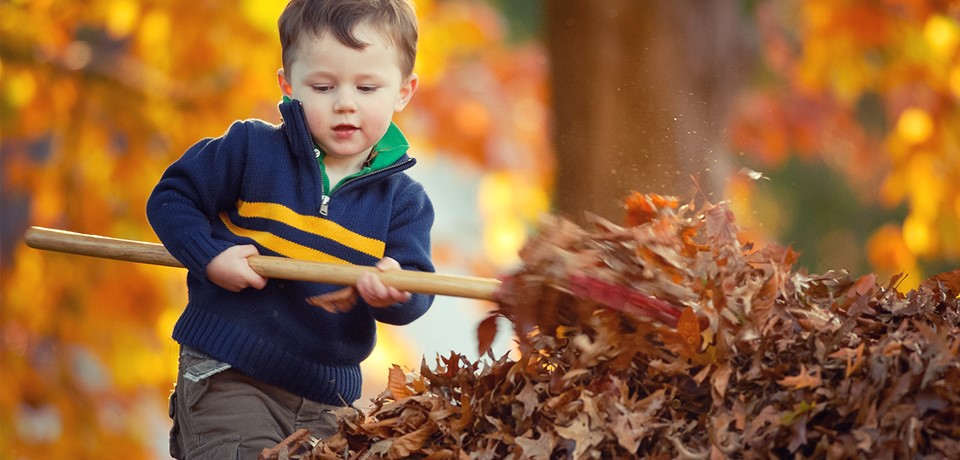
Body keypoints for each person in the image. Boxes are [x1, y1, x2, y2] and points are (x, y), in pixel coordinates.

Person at [146, 0, 434, 457]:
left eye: (366, 86)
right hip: (231, 372)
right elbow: (171, 197)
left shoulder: (403, 201)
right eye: (322, 86)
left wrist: (396, 288)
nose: (344, 103)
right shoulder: (250, 149)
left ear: (403, 90)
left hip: (327, 403)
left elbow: (417, 285)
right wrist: (209, 257)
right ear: (288, 84)